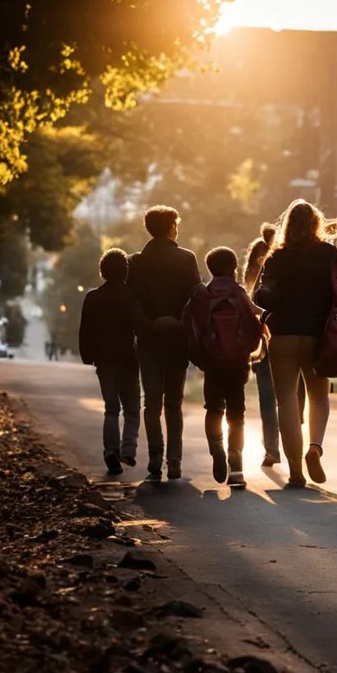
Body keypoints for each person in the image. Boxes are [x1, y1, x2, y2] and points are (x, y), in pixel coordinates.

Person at [254, 199, 337, 487]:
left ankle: (295, 471)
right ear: (315, 224)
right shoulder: (328, 252)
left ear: (287, 226)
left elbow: (260, 293)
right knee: (319, 397)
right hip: (319, 335)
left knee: (286, 401)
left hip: (282, 335)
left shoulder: (276, 257)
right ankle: (315, 448)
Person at [127, 205, 201, 483]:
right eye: (176, 224)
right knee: (174, 403)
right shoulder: (186, 258)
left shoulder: (135, 262)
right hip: (177, 341)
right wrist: (179, 322)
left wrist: (149, 324)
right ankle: (175, 461)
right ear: (171, 227)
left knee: (152, 403)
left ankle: (155, 459)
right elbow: (196, 296)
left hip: (148, 341)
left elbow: (131, 302)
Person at [185, 247, 260, 488]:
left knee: (214, 408)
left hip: (213, 362)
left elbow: (190, 327)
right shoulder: (239, 294)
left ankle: (216, 446)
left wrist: (200, 358)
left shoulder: (202, 295)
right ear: (234, 268)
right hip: (237, 362)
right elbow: (253, 326)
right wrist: (247, 350)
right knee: (236, 412)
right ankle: (236, 465)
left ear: (210, 268)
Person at [78, 249, 142, 475]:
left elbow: (85, 330)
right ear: (126, 272)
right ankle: (128, 450)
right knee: (132, 408)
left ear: (102, 271)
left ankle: (110, 451)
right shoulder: (130, 297)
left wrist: (88, 355)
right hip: (127, 359)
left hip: (103, 360)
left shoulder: (93, 297)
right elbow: (140, 326)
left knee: (111, 408)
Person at [243, 224, 281, 468]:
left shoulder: (251, 293)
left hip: (264, 345)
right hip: (284, 338)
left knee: (268, 398)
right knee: (288, 397)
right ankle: (283, 445)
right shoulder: (284, 268)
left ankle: (273, 449)